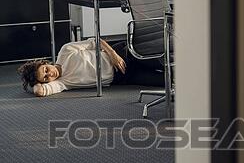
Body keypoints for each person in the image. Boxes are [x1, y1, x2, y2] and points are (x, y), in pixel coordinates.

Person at [17, 38, 163, 97]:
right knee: (166, 81)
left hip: (121, 54)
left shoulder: (65, 51)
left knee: (165, 61)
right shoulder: (63, 83)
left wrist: (113, 54)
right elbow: (40, 91)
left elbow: (95, 41)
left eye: (46, 70)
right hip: (122, 77)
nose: (50, 74)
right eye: (46, 78)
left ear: (45, 63)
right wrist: (36, 82)